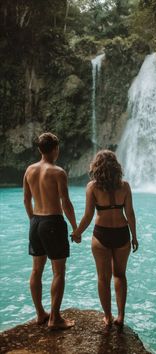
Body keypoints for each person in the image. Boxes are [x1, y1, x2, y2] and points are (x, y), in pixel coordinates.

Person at [72, 150, 138, 327]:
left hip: (101, 234)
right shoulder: (125, 186)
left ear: (97, 166)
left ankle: (108, 317)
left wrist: (77, 233)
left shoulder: (92, 187)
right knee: (120, 275)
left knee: (103, 278)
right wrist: (134, 236)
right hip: (122, 233)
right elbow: (130, 214)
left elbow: (88, 215)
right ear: (116, 166)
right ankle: (121, 316)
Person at [23, 132, 79, 329]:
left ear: (39, 149)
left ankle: (40, 314)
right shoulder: (58, 172)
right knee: (58, 272)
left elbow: (26, 200)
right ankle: (55, 318)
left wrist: (33, 221)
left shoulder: (29, 170)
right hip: (53, 222)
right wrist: (75, 228)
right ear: (55, 149)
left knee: (36, 270)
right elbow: (66, 203)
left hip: (36, 221)